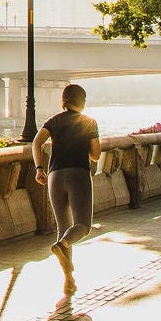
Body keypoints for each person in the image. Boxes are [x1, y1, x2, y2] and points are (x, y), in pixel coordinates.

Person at [33, 83, 100, 293]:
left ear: (64, 100)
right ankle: (61, 247)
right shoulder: (88, 122)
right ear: (83, 101)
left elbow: (36, 143)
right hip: (78, 174)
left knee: (63, 228)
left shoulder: (53, 121)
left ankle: (68, 281)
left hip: (54, 176)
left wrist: (39, 169)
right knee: (82, 226)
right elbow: (95, 155)